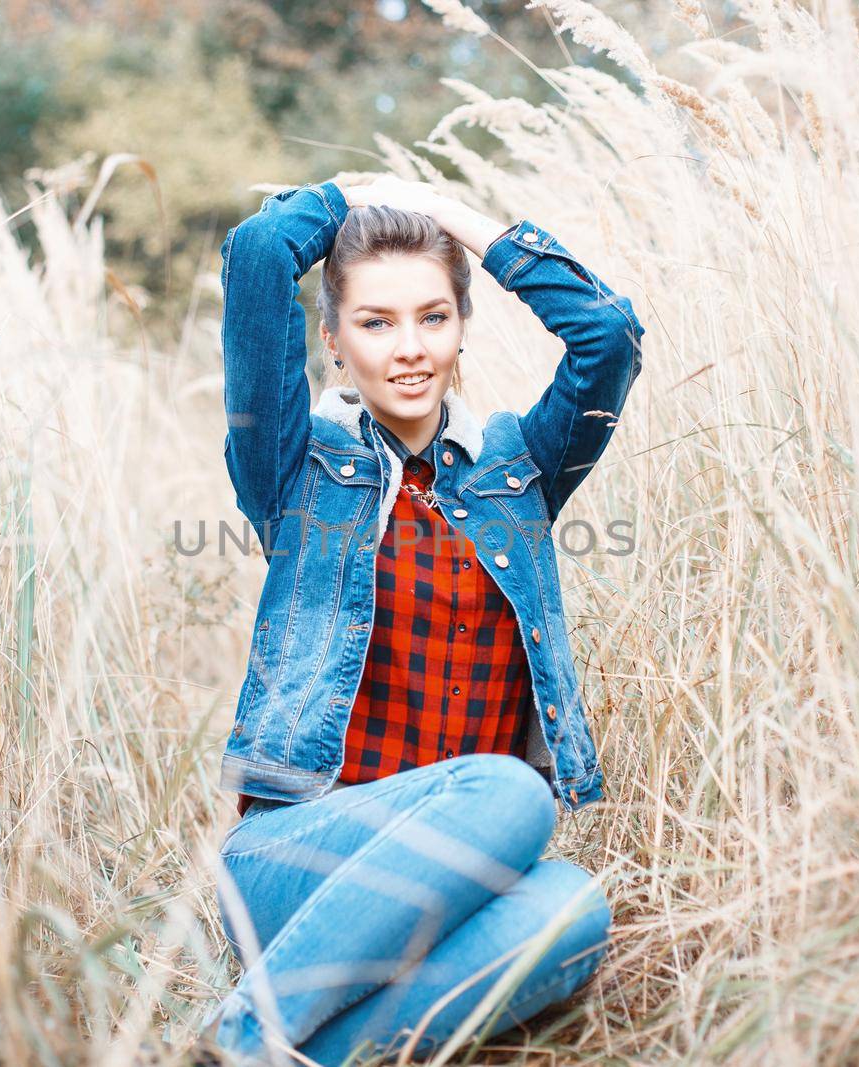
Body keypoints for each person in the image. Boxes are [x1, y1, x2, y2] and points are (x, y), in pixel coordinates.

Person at [194, 175, 646, 1065]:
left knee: (570, 906)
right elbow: (256, 257)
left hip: (449, 882)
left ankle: (279, 1054)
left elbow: (607, 336)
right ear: (332, 338)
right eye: (376, 322)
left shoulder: (518, 469)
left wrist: (466, 223)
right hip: (298, 862)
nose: (409, 349)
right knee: (509, 790)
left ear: (461, 328)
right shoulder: (294, 468)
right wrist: (352, 195)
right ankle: (251, 1025)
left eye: (433, 318)